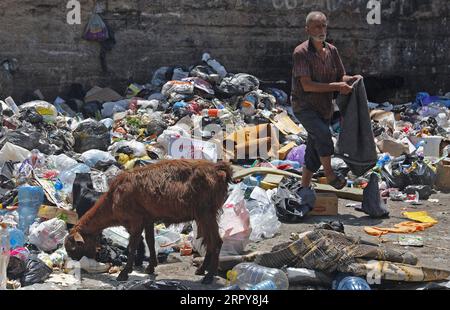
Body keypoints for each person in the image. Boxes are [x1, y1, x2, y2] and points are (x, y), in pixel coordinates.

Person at [291, 11, 363, 190]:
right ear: (307, 29)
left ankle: (304, 188)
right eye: (316, 26)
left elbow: (341, 76)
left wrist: (353, 79)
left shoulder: (332, 50)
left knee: (314, 148)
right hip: (304, 106)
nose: (321, 30)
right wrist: (338, 86)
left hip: (324, 108)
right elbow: (307, 85)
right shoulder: (301, 52)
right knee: (323, 135)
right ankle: (330, 174)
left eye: (323, 25)